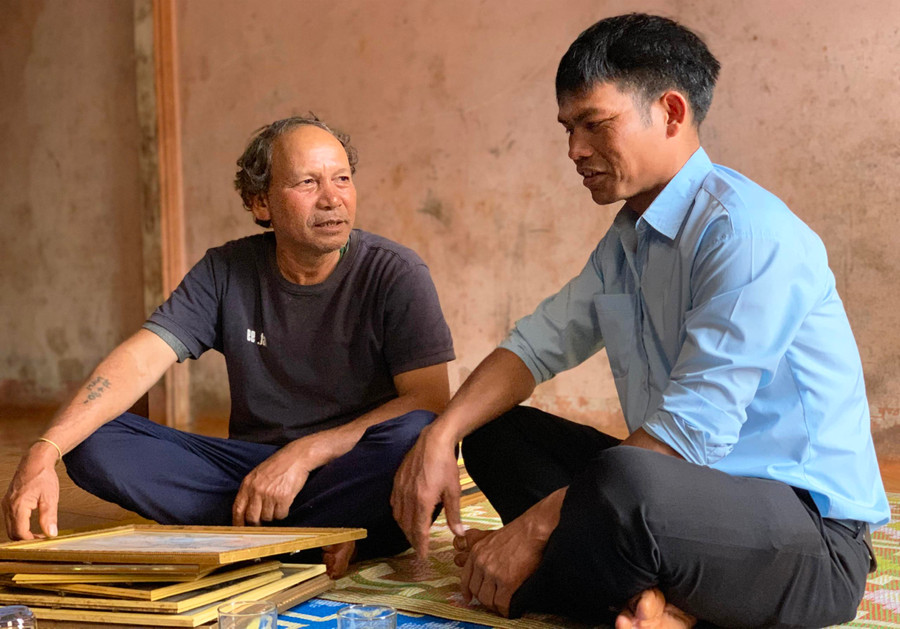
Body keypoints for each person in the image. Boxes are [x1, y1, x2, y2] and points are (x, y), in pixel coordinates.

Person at [392, 13, 888, 628]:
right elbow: (534, 347)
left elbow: (693, 431)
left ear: (671, 113)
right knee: (498, 435)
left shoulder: (748, 233)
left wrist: (532, 530)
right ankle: (648, 602)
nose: (574, 150)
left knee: (625, 479)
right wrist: (439, 437)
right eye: (568, 128)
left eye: (594, 124)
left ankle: (577, 582)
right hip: (683, 513)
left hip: (809, 542)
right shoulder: (628, 239)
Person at [3, 115, 455, 577]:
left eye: (342, 179)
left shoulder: (395, 272)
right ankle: (322, 537)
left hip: (350, 466)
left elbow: (431, 400)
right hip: (248, 473)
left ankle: (261, 538)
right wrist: (43, 452)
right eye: (308, 182)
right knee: (91, 439)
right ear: (261, 203)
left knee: (419, 435)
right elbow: (141, 358)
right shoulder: (227, 270)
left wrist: (305, 454)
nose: (332, 199)